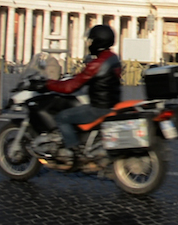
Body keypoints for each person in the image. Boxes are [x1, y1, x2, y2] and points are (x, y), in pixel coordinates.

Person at [43, 25, 123, 159]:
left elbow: (71, 87)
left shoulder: (97, 63)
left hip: (98, 108)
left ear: (97, 42)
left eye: (91, 41)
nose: (89, 44)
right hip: (112, 105)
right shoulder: (113, 58)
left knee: (62, 118)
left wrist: (48, 84)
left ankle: (73, 151)